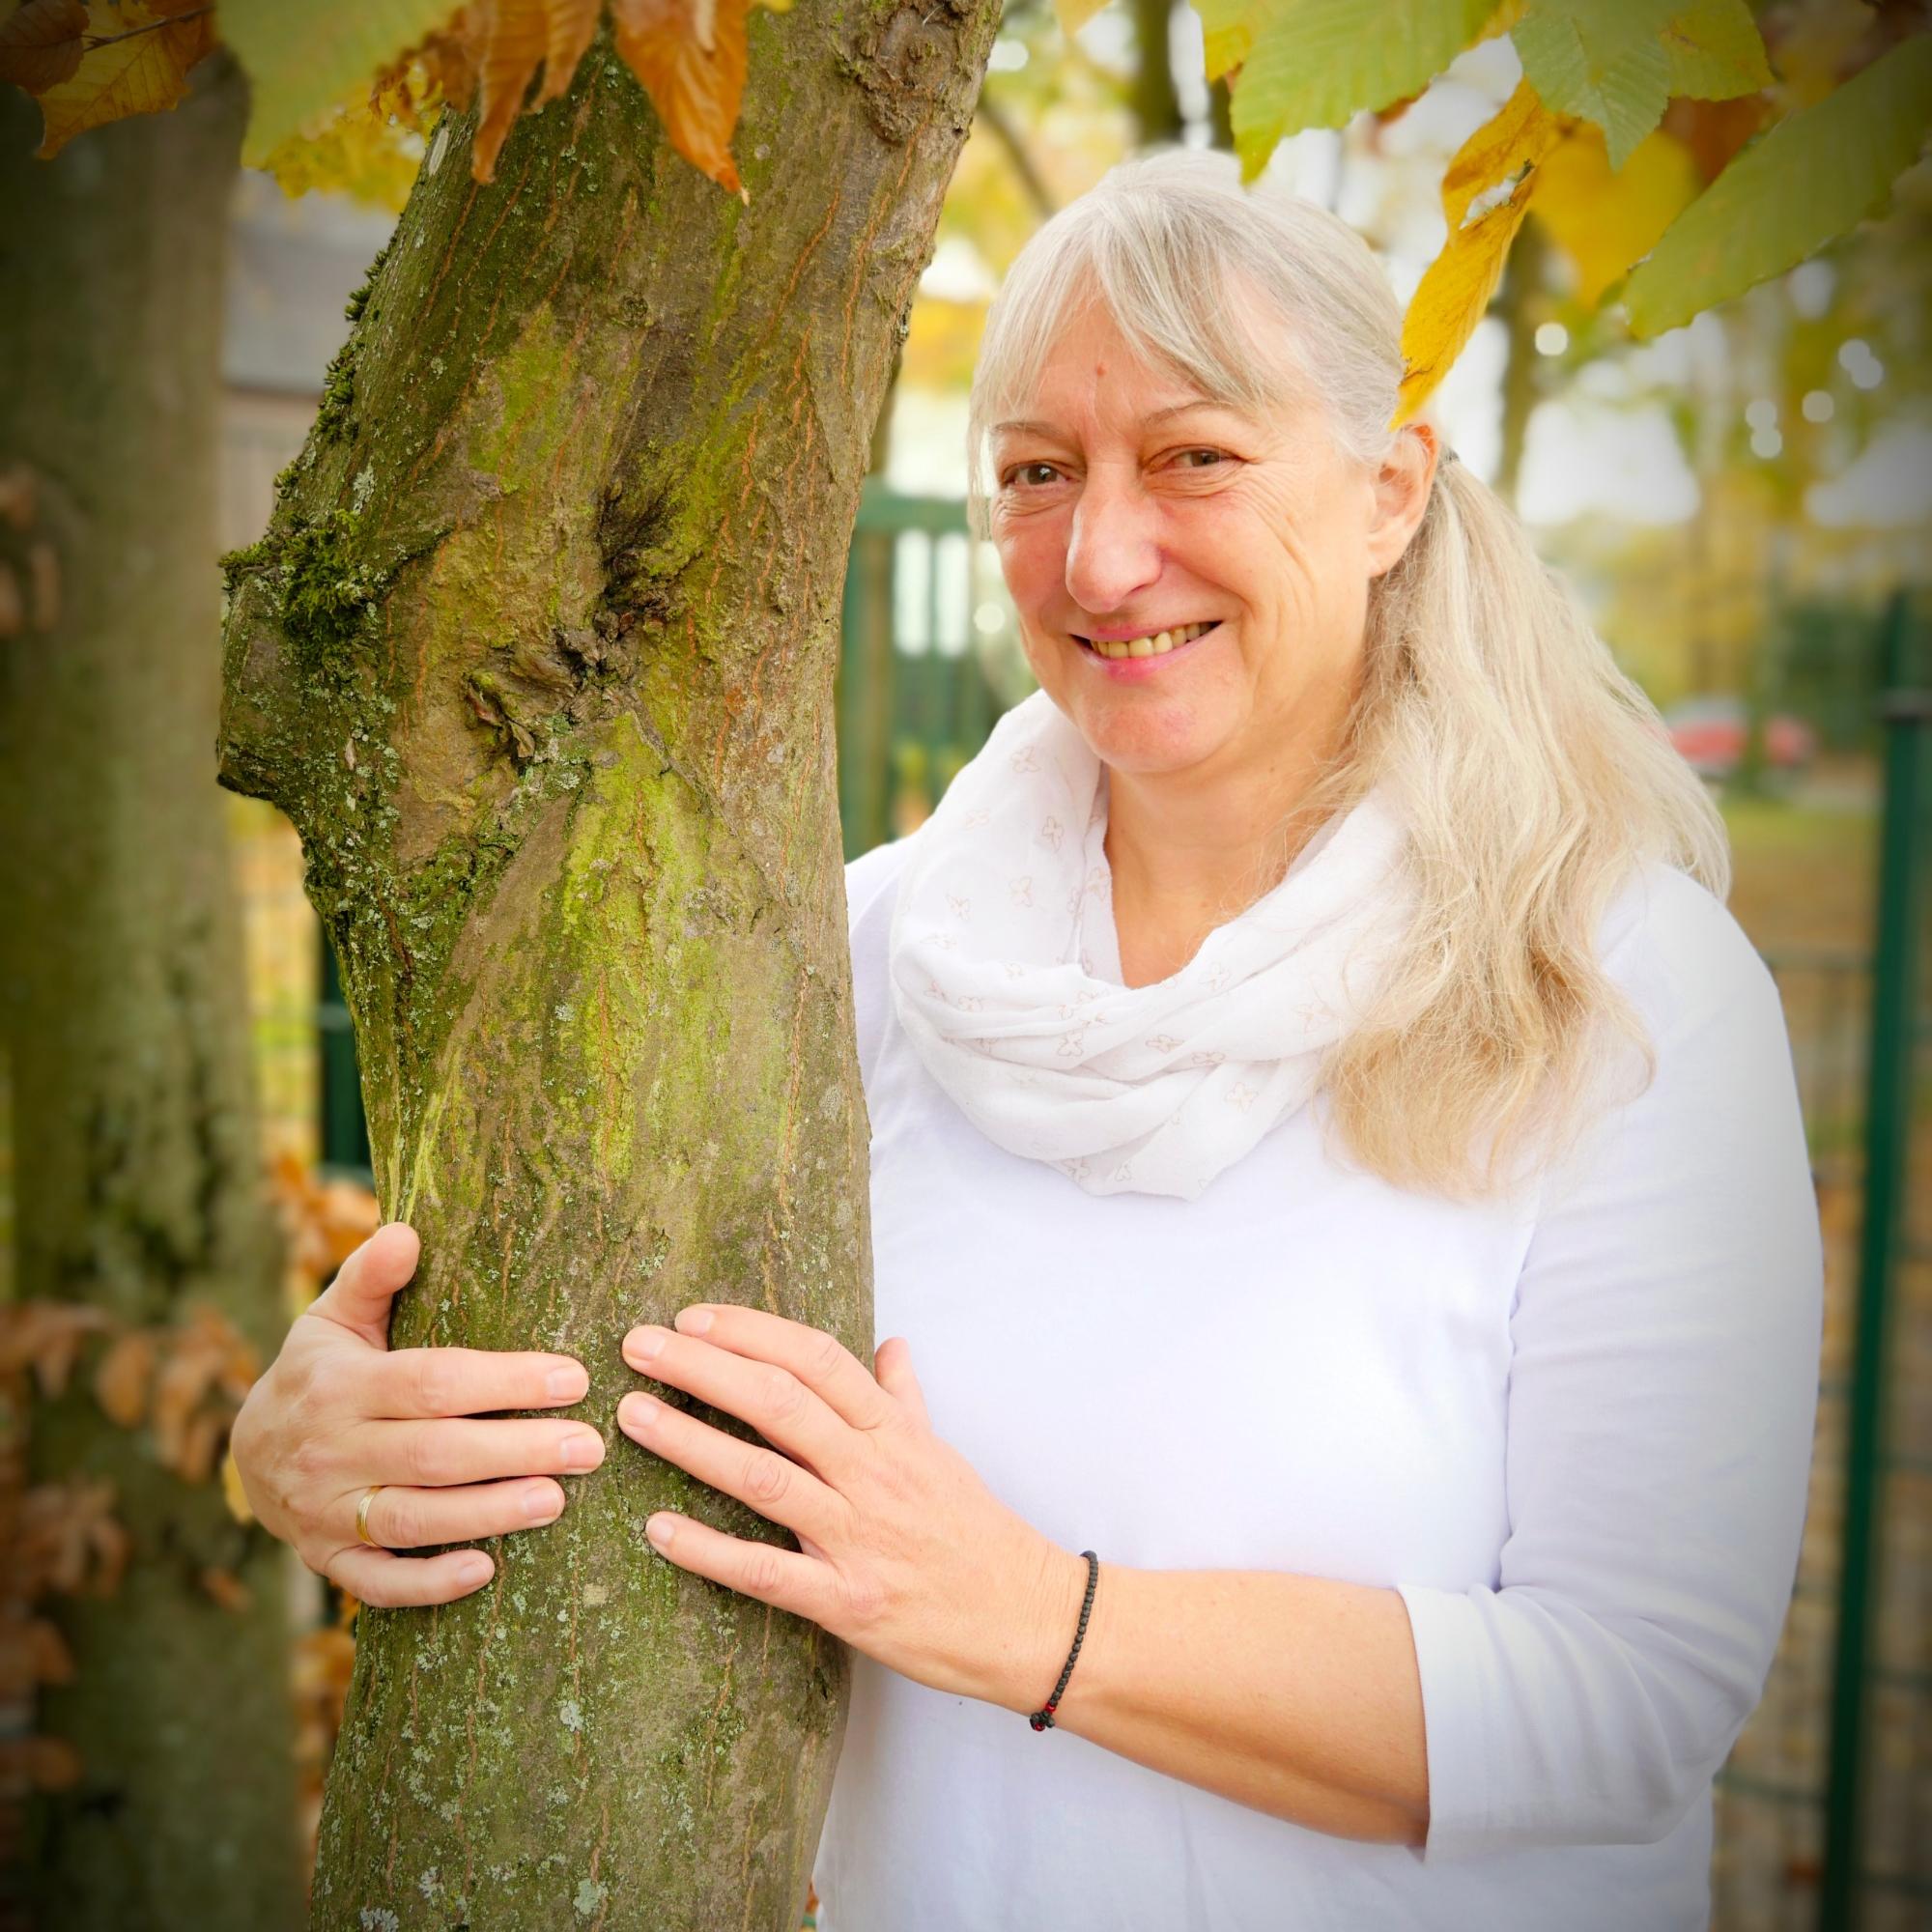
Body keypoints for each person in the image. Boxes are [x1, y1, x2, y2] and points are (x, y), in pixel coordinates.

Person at [229, 149, 1824, 1930]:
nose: (1103, 554)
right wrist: (316, 1440)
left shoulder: (1621, 992)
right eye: (1038, 475)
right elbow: (566, 1404)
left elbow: (1633, 1701)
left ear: (1390, 492)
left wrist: (1023, 1615)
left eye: (1197, 457)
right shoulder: (859, 950)